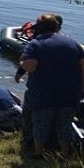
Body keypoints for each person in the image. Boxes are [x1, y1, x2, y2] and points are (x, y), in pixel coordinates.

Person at [19, 14, 84, 158]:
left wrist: (22, 62)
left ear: (39, 28)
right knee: (65, 124)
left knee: (40, 123)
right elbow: (82, 66)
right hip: (70, 93)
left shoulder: (35, 44)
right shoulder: (72, 43)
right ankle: (65, 154)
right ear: (56, 27)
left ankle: (38, 153)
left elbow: (31, 66)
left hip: (44, 93)